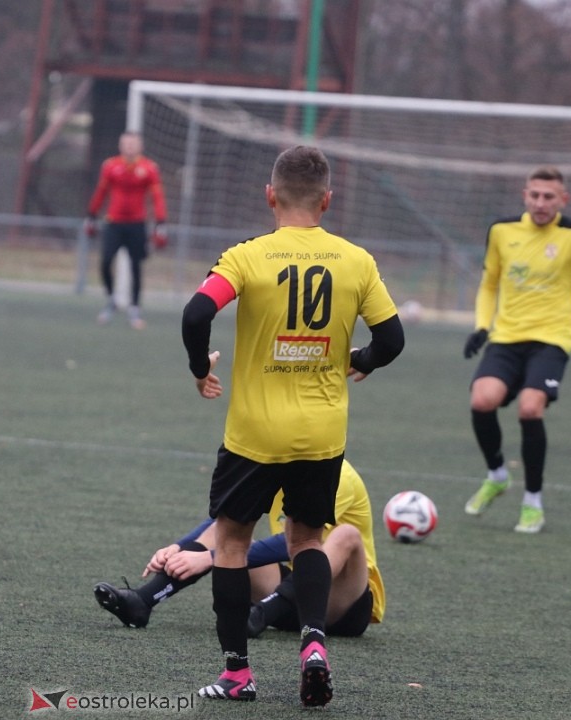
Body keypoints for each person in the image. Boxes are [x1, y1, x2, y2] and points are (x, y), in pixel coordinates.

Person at [181, 145, 404, 707]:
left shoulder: (248, 256)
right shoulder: (356, 260)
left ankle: (237, 675)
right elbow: (393, 339)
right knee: (307, 538)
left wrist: (198, 367)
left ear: (270, 196)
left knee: (231, 544)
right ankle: (312, 646)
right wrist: (364, 360)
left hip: (254, 432)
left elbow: (196, 313)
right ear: (327, 201)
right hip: (321, 432)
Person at [462, 166, 571, 534]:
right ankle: (497, 475)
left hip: (552, 340)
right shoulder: (501, 230)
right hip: (507, 337)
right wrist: (482, 326)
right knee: (481, 400)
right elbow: (488, 283)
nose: (541, 202)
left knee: (530, 408)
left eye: (549, 196)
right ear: (524, 195)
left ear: (563, 200)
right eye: (534, 195)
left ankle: (533, 501)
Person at [92, 459, 385, 641]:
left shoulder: (335, 474)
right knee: (230, 530)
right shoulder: (271, 467)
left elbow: (301, 542)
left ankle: (261, 614)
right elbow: (226, 521)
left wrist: (208, 558)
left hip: (343, 605)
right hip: (287, 598)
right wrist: (178, 547)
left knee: (345, 535)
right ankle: (142, 602)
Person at [84, 131, 168, 330]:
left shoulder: (149, 168)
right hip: (113, 223)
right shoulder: (110, 166)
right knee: (105, 261)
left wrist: (161, 222)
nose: (129, 147)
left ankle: (135, 308)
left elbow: (157, 197)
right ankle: (112, 299)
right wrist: (91, 215)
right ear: (120, 146)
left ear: (140, 146)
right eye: (126, 143)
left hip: (137, 224)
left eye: (133, 143)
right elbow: (101, 192)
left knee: (135, 266)